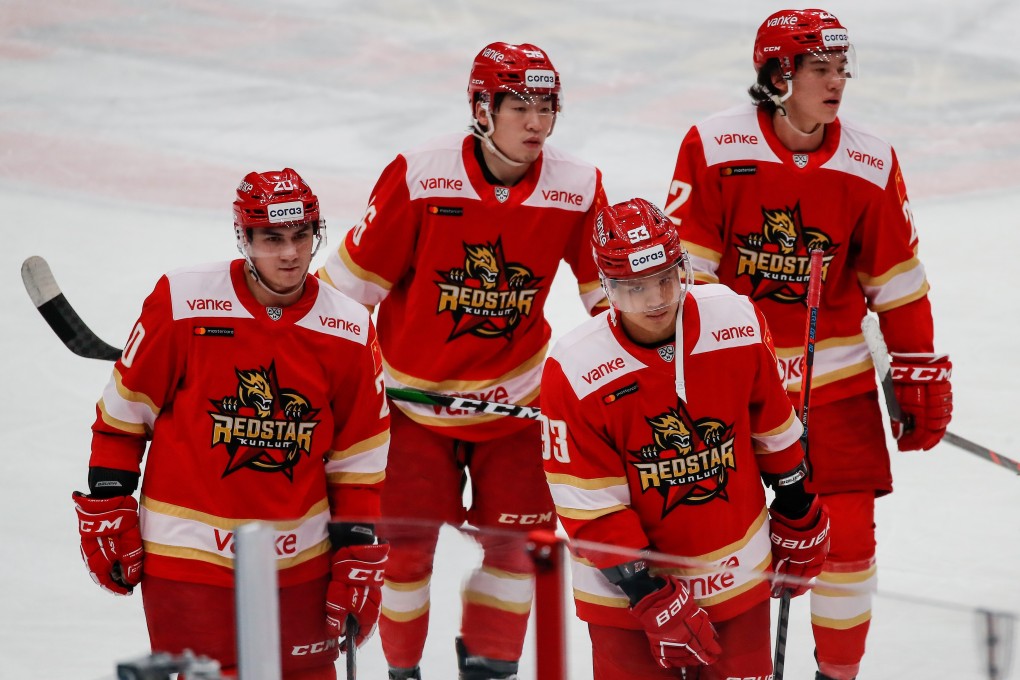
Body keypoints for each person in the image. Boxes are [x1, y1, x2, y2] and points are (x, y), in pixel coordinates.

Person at [662, 10, 953, 679]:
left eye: (841, 69)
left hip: (837, 383)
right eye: (820, 68)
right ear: (775, 74)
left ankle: (837, 674)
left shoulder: (869, 160)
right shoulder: (713, 146)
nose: (837, 83)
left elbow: (897, 279)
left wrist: (914, 365)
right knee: (722, 543)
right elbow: (689, 276)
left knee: (847, 545)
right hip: (733, 384)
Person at [317, 42, 608, 680]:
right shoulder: (422, 175)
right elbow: (341, 296)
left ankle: (489, 669)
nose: (536, 124)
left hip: (516, 408)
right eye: (520, 107)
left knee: (516, 550)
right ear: (482, 107)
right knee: (403, 551)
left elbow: (612, 309)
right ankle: (402, 673)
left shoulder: (578, 186)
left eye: (547, 108)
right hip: (410, 408)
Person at [71, 169, 391, 680]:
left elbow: (358, 461)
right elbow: (122, 420)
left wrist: (356, 549)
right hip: (187, 557)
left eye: (301, 236)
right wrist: (109, 500)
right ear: (244, 238)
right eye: (272, 238)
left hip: (298, 562)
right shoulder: (183, 301)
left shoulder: (349, 328)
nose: (290, 253)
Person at [540, 197, 831, 679]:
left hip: (737, 571)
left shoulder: (734, 320)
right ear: (607, 287)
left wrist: (798, 505)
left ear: (682, 268)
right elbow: (589, 506)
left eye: (665, 279)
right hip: (625, 601)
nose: (655, 299)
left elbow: (772, 425)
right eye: (634, 288)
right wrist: (646, 592)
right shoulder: (575, 369)